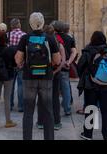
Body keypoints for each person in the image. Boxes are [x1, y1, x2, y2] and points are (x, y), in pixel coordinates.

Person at [15, 12, 61, 140]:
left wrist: (22, 63)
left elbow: (18, 59)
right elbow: (57, 60)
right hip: (46, 77)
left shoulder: (25, 38)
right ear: (42, 23)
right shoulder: (50, 38)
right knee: (48, 110)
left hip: (29, 77)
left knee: (28, 112)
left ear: (30, 23)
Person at [77, 31, 107, 140]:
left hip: (91, 86)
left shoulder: (88, 51)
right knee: (106, 111)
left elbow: (80, 66)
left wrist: (86, 76)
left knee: (91, 109)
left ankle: (88, 134)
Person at [37, 24, 66, 131]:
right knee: (54, 98)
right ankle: (56, 122)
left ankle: (40, 122)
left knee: (41, 98)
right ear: (54, 33)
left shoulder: (39, 43)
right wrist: (55, 72)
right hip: (54, 74)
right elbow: (62, 62)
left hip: (42, 73)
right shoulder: (59, 45)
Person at [0, 33, 17, 128]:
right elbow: (14, 64)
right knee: (7, 98)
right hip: (8, 76)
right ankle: (8, 120)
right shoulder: (10, 50)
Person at [54, 21, 77, 116]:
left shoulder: (53, 38)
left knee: (54, 89)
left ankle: (54, 108)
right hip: (65, 67)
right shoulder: (69, 38)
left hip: (55, 67)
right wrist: (68, 62)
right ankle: (67, 109)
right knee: (66, 88)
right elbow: (74, 51)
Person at [9, 18, 26, 113]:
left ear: (11, 26)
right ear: (19, 25)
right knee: (21, 85)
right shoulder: (24, 35)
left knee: (10, 85)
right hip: (21, 63)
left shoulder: (7, 35)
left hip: (10, 63)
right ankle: (21, 106)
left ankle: (10, 105)